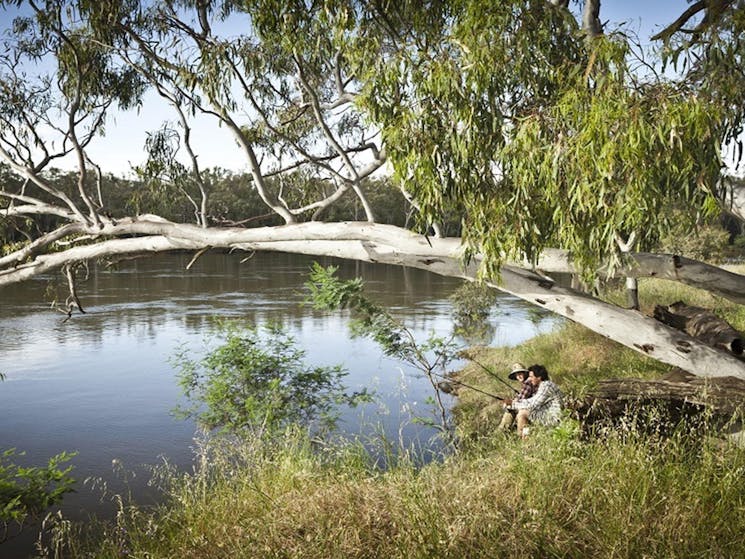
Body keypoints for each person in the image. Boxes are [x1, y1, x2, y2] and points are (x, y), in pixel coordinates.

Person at [506, 364, 563, 438]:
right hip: (551, 413)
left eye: (531, 377)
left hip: (555, 417)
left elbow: (533, 404)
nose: (529, 379)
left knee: (523, 413)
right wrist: (514, 403)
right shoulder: (544, 385)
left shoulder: (546, 386)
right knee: (523, 412)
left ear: (539, 377)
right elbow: (532, 400)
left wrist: (513, 405)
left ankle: (524, 438)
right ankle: (525, 436)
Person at [498, 362, 535, 431]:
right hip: (533, 407)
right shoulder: (529, 381)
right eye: (517, 375)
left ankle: (502, 432)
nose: (518, 376)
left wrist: (509, 404)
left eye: (520, 373)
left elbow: (521, 400)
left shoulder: (528, 383)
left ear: (525, 373)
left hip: (534, 410)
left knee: (510, 411)